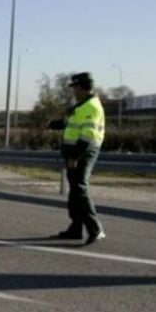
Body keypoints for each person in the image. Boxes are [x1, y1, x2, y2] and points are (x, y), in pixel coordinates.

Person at [54, 72, 106, 245]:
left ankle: (95, 228)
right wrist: (56, 124)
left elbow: (87, 136)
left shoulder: (91, 106)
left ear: (80, 87)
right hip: (74, 152)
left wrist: (75, 156)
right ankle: (76, 228)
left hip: (83, 152)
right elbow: (72, 123)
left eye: (74, 87)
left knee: (80, 188)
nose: (73, 91)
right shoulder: (81, 106)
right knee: (75, 190)